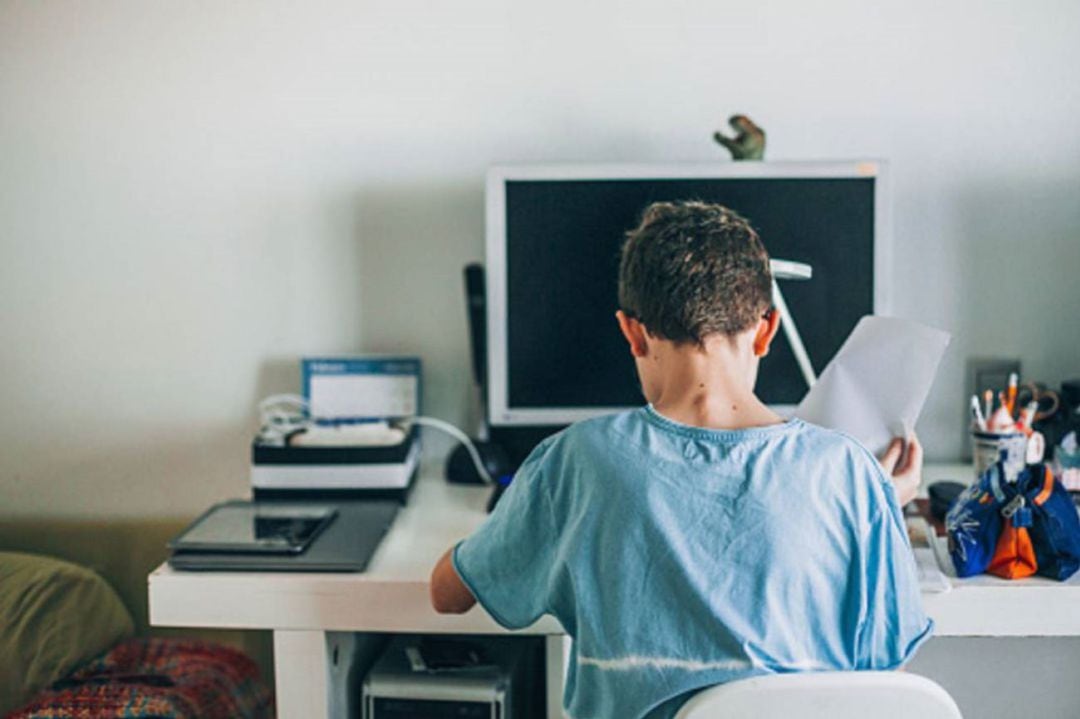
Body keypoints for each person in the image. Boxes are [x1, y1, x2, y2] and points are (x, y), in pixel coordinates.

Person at [429, 201, 932, 718]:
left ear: (632, 332)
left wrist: (514, 522)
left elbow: (447, 595)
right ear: (766, 331)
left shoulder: (575, 461)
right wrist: (875, 503)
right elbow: (882, 675)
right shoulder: (848, 473)